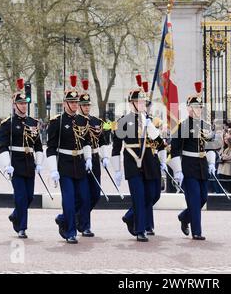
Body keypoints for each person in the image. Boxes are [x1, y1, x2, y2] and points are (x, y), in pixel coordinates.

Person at [111, 84, 166, 242]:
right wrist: (117, 170)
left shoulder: (149, 121)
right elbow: (116, 148)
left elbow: (160, 143)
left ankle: (130, 216)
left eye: (144, 102)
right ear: (131, 103)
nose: (143, 104)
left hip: (150, 162)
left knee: (154, 194)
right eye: (139, 101)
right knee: (139, 196)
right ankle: (140, 229)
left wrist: (151, 129)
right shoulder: (123, 122)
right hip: (132, 161)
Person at [46, 79, 92, 244]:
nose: (74, 105)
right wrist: (53, 169)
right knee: (69, 200)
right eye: (71, 102)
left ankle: (63, 218)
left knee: (85, 199)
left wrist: (88, 159)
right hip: (64, 165)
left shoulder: (83, 121)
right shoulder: (56, 121)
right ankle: (71, 232)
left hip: (79, 163)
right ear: (65, 103)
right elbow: (50, 147)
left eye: (76, 102)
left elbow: (86, 141)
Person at [170, 81, 217, 240]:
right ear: (189, 109)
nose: (198, 110)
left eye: (200, 107)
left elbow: (211, 147)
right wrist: (178, 171)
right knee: (194, 198)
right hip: (189, 166)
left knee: (203, 197)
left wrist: (211, 163)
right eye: (195, 107)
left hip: (202, 165)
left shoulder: (206, 125)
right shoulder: (182, 126)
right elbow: (175, 150)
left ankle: (184, 217)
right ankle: (197, 232)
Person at [0, 82, 44, 238]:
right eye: (20, 103)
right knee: (21, 196)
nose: (24, 106)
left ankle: (16, 215)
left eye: (25, 103)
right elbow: (3, 146)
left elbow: (38, 145)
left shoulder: (33, 123)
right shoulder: (8, 124)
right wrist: (7, 165)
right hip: (15, 164)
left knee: (29, 196)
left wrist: (39, 163)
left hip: (29, 163)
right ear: (14, 105)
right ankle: (22, 228)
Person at [77, 81, 111, 237]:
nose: (86, 108)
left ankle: (79, 217)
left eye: (88, 105)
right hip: (82, 161)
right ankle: (85, 226)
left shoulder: (97, 121)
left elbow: (103, 140)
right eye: (84, 105)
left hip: (96, 159)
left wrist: (105, 157)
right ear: (79, 106)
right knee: (84, 195)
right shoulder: (75, 121)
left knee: (95, 194)